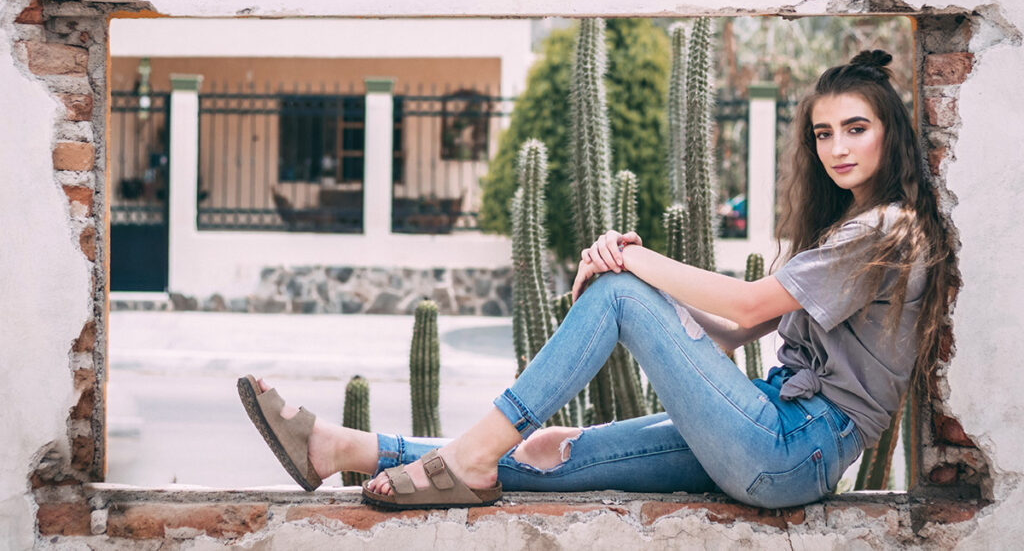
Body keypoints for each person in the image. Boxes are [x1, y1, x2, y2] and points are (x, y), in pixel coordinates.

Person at [238, 49, 958, 509]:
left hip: (795, 446)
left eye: (855, 128)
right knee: (546, 452)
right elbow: (733, 334)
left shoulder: (890, 229)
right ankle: (339, 447)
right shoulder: (851, 228)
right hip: (770, 431)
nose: (836, 146)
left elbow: (746, 303)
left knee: (616, 291)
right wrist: (645, 305)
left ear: (889, 132)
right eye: (823, 132)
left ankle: (470, 454)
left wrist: (628, 264)